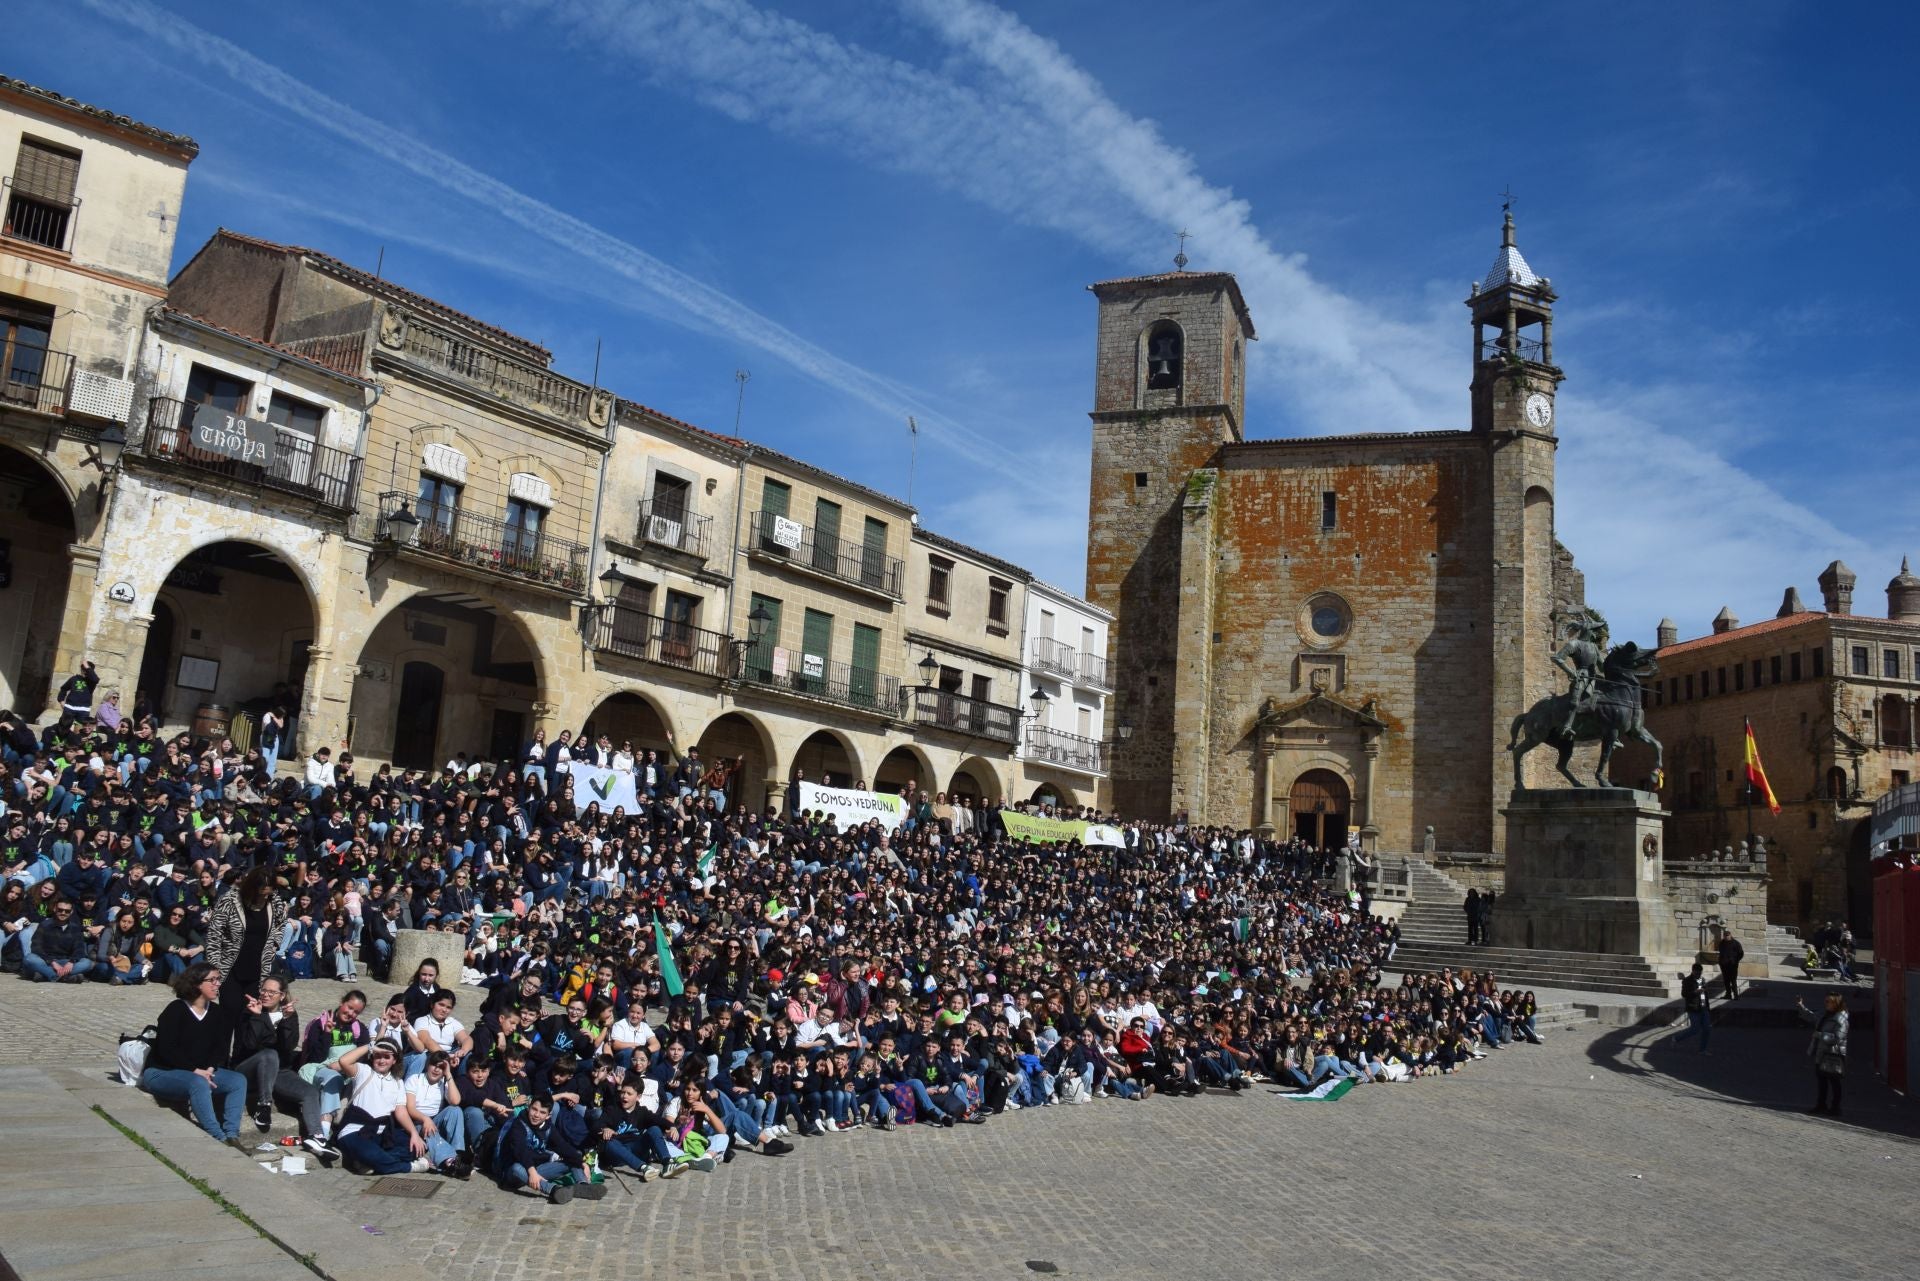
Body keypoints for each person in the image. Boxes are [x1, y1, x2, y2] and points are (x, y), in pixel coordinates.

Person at [141, 961, 256, 1145]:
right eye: (212, 980)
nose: (217, 984)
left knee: (237, 1081)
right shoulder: (176, 1010)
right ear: (196, 984)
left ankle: (232, 1134)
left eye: (219, 979)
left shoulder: (217, 1012)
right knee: (198, 1083)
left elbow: (220, 1048)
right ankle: (218, 1137)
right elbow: (166, 1050)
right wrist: (195, 1070)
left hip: (202, 1072)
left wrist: (210, 1068)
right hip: (163, 1072)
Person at [206, 864, 288, 1009]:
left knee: (249, 1018)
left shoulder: (275, 903)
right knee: (229, 1011)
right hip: (230, 968)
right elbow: (214, 934)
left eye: (268, 893)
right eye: (261, 893)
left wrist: (275, 944)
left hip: (258, 970)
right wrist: (215, 965)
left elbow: (281, 924)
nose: (264, 897)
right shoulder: (230, 901)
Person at [1796, 993, 1849, 1117]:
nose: (1826, 1004)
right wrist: (1801, 1006)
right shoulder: (1825, 1014)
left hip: (1834, 1054)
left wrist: (1819, 1035)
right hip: (1821, 1052)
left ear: (1836, 1003)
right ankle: (1821, 1104)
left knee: (1834, 1081)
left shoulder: (1841, 1019)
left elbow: (1837, 1038)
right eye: (1825, 1001)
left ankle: (1835, 1107)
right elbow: (1812, 1016)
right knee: (1822, 1080)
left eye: (1828, 1002)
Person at [1672, 963, 1710, 1053]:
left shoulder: (1703, 980)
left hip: (1704, 1007)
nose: (1698, 975)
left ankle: (1703, 1049)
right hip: (1693, 1008)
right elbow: (1684, 994)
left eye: (1700, 973)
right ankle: (1676, 1038)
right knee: (1695, 1029)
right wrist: (1695, 992)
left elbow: (1705, 994)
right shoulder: (1687, 981)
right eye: (1697, 973)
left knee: (1707, 1029)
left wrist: (1707, 1007)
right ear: (1693, 971)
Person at [1717, 930, 1745, 1001]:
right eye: (1725, 936)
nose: (1726, 937)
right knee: (1726, 981)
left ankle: (1736, 995)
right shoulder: (1722, 943)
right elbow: (1720, 952)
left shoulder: (1736, 943)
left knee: (1733, 980)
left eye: (1727, 935)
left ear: (1730, 935)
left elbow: (1741, 953)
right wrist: (1720, 961)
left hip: (1732, 965)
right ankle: (1728, 994)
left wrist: (1735, 960)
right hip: (1724, 965)